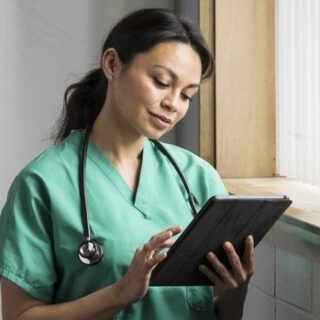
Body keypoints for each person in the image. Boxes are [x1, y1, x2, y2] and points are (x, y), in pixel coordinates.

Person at [0, 8, 254, 320]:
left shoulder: (199, 178)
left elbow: (219, 313)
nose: (173, 104)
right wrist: (120, 294)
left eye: (187, 95)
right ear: (112, 64)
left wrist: (234, 292)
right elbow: (19, 315)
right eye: (161, 82)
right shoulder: (43, 184)